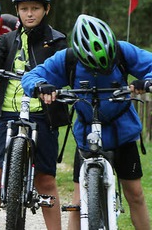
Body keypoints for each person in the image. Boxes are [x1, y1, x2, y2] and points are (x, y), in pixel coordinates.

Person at [22, 14, 151, 230]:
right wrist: (40, 87)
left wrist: (146, 81)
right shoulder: (68, 59)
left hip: (122, 133)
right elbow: (33, 75)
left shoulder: (123, 51)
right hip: (86, 134)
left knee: (135, 194)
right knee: (78, 201)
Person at [0, 0, 69, 230]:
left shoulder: (57, 41)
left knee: (45, 180)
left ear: (46, 9)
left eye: (35, 8)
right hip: (7, 114)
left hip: (42, 114)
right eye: (24, 8)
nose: (29, 13)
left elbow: (65, 70)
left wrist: (52, 87)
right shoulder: (7, 40)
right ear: (17, 10)